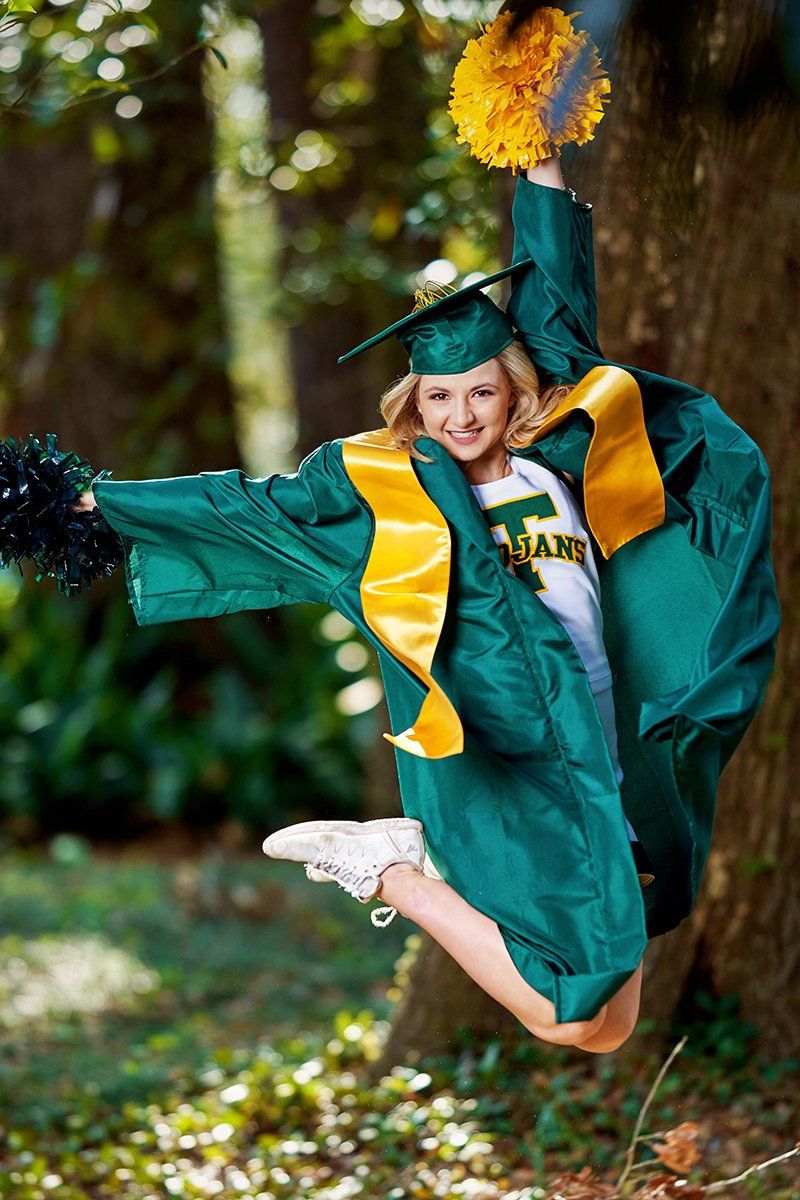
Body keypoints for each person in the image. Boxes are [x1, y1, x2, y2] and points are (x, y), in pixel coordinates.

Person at [70, 129, 779, 1054]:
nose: (461, 416)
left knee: (609, 1025)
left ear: (510, 384)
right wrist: (92, 504)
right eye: (438, 399)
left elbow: (560, 292)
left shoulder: (557, 445)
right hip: (510, 745)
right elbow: (251, 507)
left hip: (611, 732)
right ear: (415, 402)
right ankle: (392, 871)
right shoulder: (385, 484)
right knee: (570, 1010)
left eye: (479, 392)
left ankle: (399, 871)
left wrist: (539, 154)